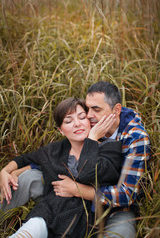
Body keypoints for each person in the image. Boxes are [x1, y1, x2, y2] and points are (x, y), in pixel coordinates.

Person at [1, 81, 151, 237]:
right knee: (26, 178)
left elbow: (126, 195)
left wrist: (78, 190)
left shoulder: (135, 138)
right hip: (70, 197)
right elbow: (51, 158)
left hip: (115, 206)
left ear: (116, 110)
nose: (89, 115)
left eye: (96, 109)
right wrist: (9, 171)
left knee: (120, 234)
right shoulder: (89, 124)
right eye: (88, 109)